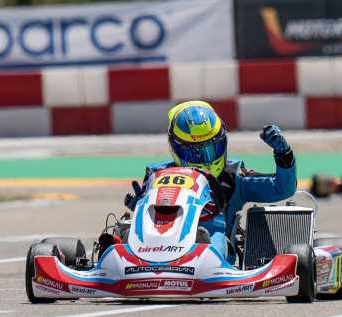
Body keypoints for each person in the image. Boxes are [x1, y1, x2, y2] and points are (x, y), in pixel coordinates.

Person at [123, 100, 295, 261]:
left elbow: (282, 189)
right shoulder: (158, 174)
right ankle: (122, 250)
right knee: (124, 231)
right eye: (195, 153)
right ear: (175, 148)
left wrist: (284, 155)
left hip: (213, 253)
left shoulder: (233, 177)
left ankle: (200, 247)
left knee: (217, 239)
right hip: (155, 244)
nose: (205, 159)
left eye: (212, 149)